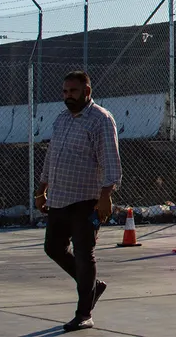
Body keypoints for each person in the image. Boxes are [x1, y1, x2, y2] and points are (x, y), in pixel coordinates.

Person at [36, 71, 122, 332]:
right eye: (64, 92)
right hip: (60, 198)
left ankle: (84, 313)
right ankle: (93, 287)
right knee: (53, 248)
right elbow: (51, 156)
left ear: (87, 91)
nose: (67, 97)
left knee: (85, 255)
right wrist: (42, 189)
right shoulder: (62, 118)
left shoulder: (101, 120)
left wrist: (106, 195)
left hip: (86, 200)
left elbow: (110, 160)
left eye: (72, 92)